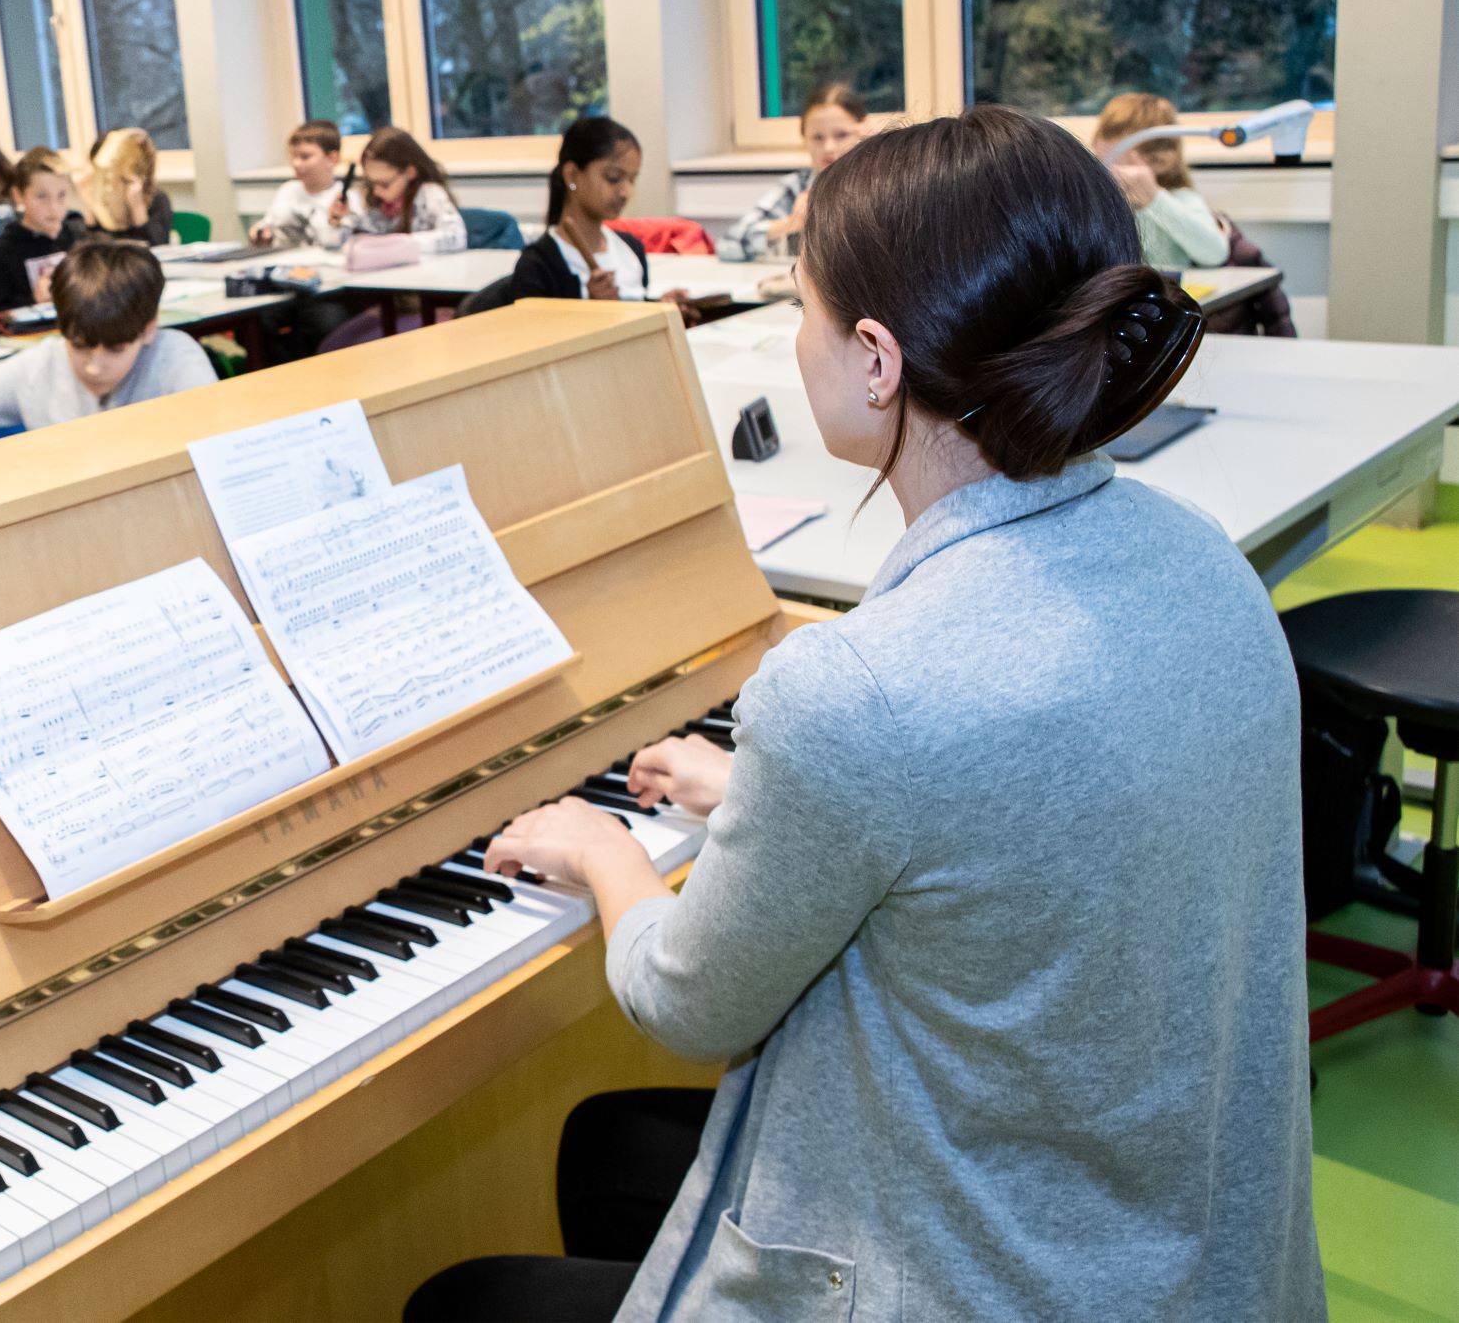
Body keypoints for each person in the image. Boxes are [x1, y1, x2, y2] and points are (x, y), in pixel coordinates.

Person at [410, 106, 1320, 1322]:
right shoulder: (1206, 563)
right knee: (606, 1148)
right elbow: (1037, 814)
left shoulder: (862, 689)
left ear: (879, 360)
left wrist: (604, 851)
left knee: (465, 1296)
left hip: (994, 1281)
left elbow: (684, 998)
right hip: (1188, 1258)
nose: (797, 339)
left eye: (803, 308)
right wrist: (762, 795)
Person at [0, 241, 217, 454]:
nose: (95, 366)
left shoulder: (177, 359)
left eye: (116, 349)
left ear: (149, 328)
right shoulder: (39, 365)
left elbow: (216, 439)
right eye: (80, 346)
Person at [510, 117, 697, 316]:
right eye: (613, 178)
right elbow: (537, 339)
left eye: (632, 180)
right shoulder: (539, 266)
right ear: (572, 175)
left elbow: (631, 323)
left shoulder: (631, 250)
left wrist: (660, 309)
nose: (625, 192)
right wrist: (593, 310)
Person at [717, 80, 868, 262]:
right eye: (817, 137)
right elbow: (728, 244)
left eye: (841, 135)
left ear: (863, 133)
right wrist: (792, 223)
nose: (829, 147)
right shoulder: (796, 187)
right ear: (804, 140)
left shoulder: (879, 186)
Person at [1094, 92, 1231, 271]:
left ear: (1159, 160)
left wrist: (1153, 198)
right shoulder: (1097, 203)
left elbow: (1215, 254)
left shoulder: (1180, 199)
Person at [0, 148, 82, 319]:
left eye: (61, 195)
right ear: (18, 195)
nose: (54, 207)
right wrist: (32, 301)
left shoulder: (77, 239)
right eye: (42, 196)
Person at [334, 127, 466, 254]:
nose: (376, 191)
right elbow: (348, 242)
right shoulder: (373, 200)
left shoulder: (429, 193)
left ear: (410, 172)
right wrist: (341, 222)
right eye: (370, 183)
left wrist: (401, 243)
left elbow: (457, 237)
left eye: (384, 184)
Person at [250, 121, 348, 248]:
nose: (296, 163)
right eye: (293, 156)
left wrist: (336, 224)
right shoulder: (288, 190)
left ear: (332, 158)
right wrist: (260, 234)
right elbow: (268, 224)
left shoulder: (344, 198)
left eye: (305, 157)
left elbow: (339, 243)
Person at [76, 127, 175, 244]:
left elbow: (156, 244)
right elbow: (89, 247)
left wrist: (137, 207)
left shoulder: (158, 198)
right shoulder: (100, 200)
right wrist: (91, 207)